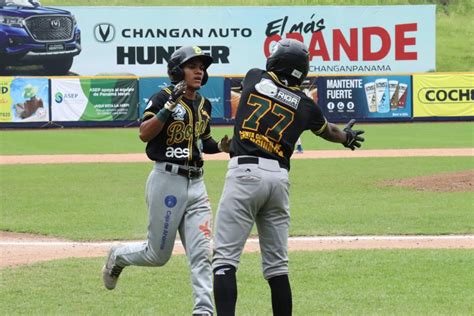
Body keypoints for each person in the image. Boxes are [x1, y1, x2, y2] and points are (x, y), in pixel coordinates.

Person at [212, 38, 364, 316]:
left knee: (224, 261)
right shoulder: (307, 106)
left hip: (245, 171)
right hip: (278, 179)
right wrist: (346, 137)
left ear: (276, 62)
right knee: (277, 268)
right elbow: (329, 131)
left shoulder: (254, 77)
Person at [102, 45, 230, 316]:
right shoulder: (162, 97)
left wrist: (222, 146)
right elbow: (144, 134)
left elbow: (203, 141)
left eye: (202, 66)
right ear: (177, 70)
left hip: (197, 184)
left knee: (203, 253)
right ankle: (119, 256)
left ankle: (203, 311)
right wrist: (169, 105)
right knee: (157, 256)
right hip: (167, 181)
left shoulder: (204, 104)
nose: (199, 70)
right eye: (192, 65)